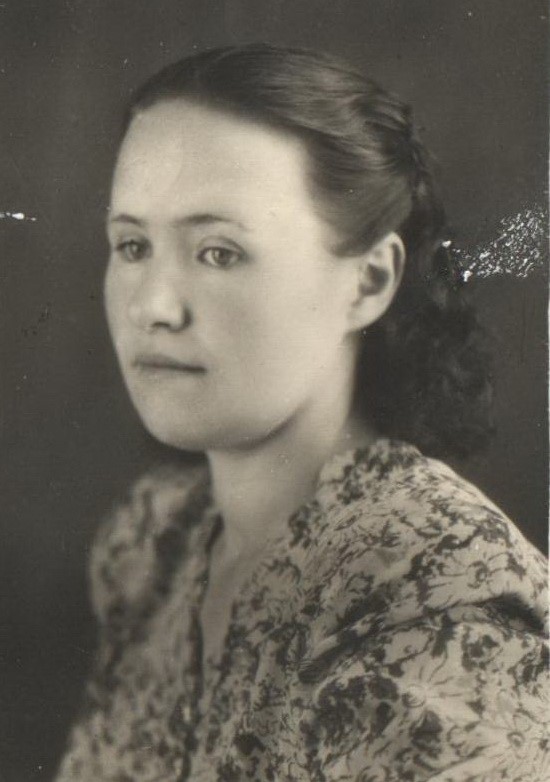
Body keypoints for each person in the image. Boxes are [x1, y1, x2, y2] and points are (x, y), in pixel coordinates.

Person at [55, 44, 548, 782]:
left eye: (219, 252)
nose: (152, 305)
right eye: (131, 245)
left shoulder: (441, 597)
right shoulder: (153, 544)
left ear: (369, 282)